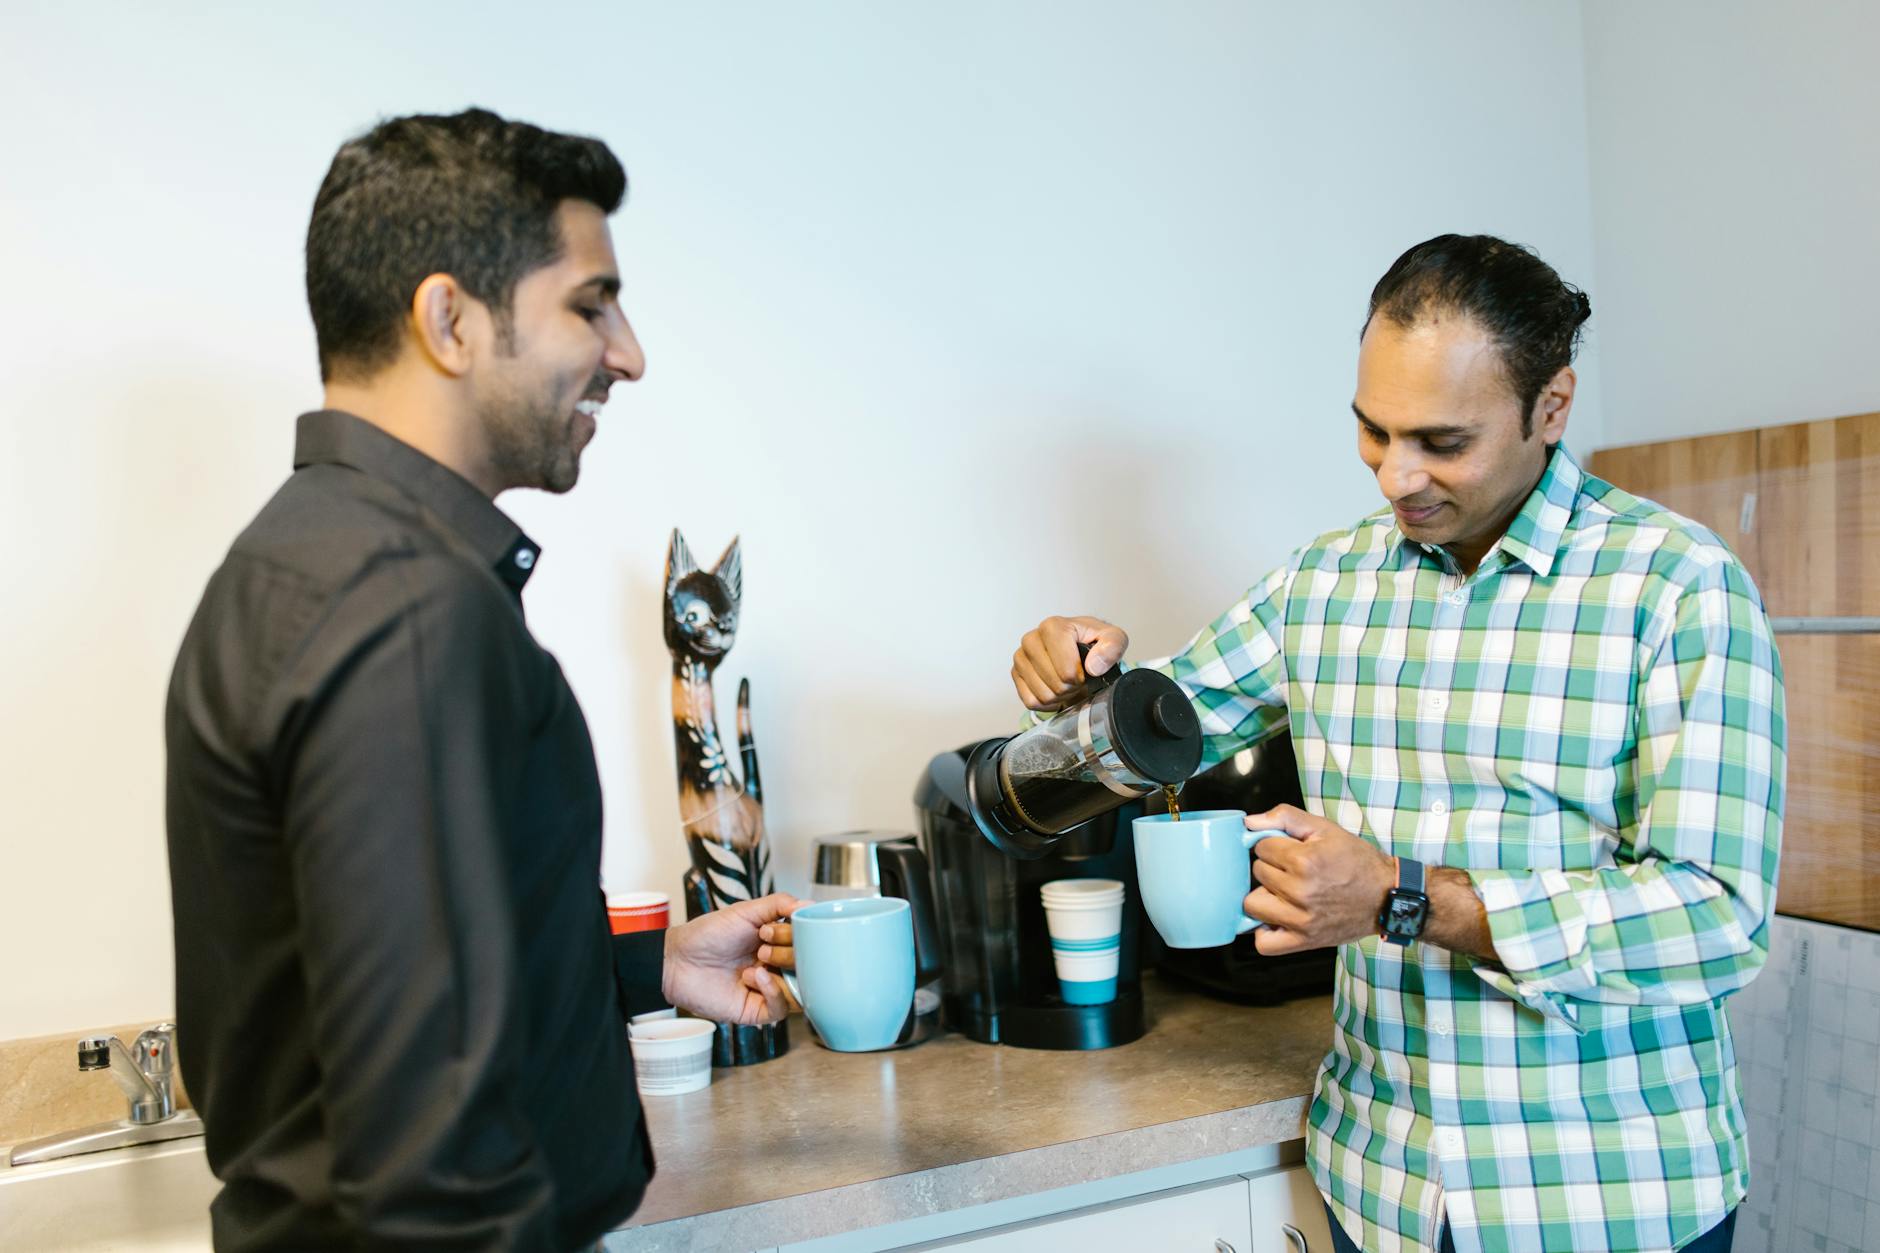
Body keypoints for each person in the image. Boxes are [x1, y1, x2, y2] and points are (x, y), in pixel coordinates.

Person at [1012, 235, 1783, 1253]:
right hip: (1377, 1188)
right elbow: (1153, 733)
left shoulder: (1675, 585)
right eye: (1370, 431)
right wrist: (1077, 690)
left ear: (1550, 406)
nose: (1394, 474)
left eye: (1439, 440)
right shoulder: (1321, 584)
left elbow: (1715, 915)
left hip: (1605, 1201)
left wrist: (1400, 897)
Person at [166, 108, 798, 1251]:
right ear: (448, 319)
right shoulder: (402, 607)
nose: (629, 352)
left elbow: (370, 972)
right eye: (590, 304)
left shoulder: (303, 558)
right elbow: (428, 1148)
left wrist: (638, 966)